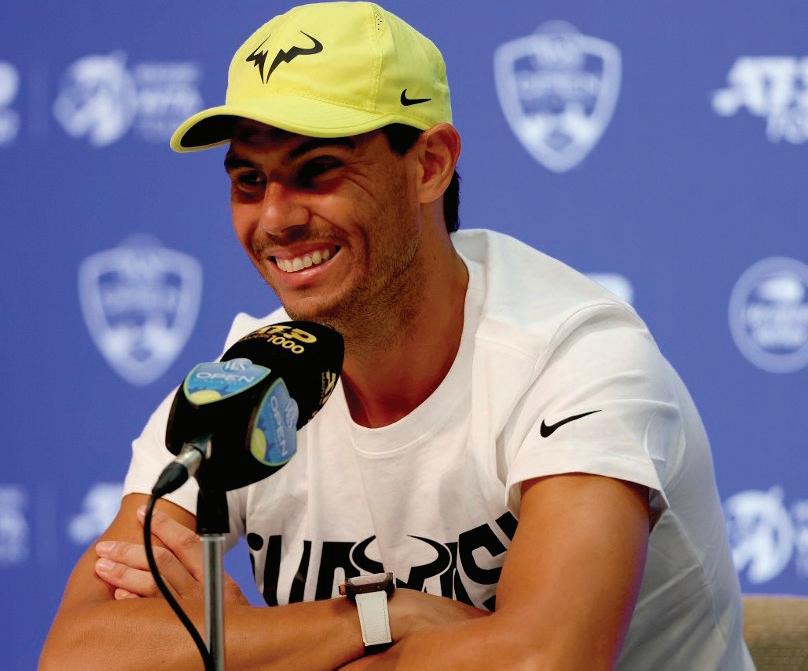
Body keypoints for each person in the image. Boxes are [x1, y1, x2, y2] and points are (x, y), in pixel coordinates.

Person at [41, 2, 754, 669]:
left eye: (318, 171)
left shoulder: (574, 357)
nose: (276, 219)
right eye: (249, 181)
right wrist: (381, 616)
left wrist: (231, 647)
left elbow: (542, 659)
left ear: (430, 164)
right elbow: (77, 653)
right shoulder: (246, 380)